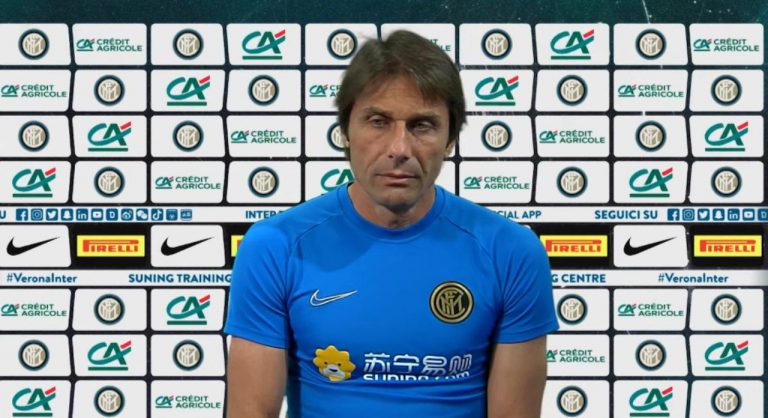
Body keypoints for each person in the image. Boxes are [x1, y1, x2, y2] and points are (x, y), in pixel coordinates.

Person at [225, 30, 559, 418]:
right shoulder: (275, 247)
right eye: (378, 121)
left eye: (422, 125)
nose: (399, 148)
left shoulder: (511, 252)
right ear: (345, 132)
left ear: (450, 139)